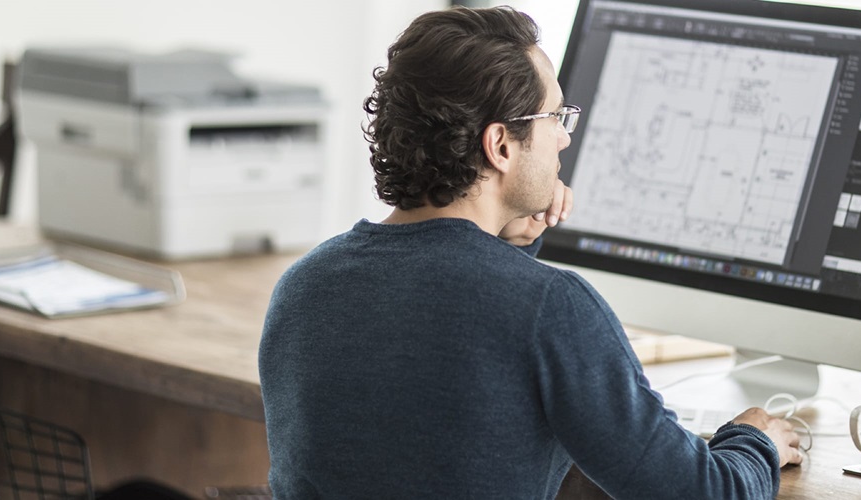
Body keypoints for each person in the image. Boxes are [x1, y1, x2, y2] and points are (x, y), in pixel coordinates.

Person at [259, 6, 801, 499]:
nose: (564, 140)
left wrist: (506, 243)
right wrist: (755, 441)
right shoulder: (548, 307)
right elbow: (704, 494)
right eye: (556, 119)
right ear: (500, 146)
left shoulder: (305, 284)